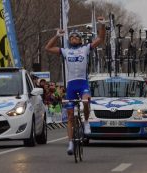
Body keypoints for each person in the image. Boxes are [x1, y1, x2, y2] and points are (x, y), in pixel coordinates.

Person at [45, 16, 106, 155]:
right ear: (69, 40)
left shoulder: (85, 49)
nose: (73, 38)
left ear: (80, 40)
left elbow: (100, 39)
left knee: (85, 101)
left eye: (76, 37)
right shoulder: (66, 51)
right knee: (71, 116)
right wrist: (56, 36)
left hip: (82, 82)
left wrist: (102, 25)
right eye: (71, 37)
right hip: (71, 85)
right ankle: (71, 142)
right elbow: (47, 48)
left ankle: (85, 123)